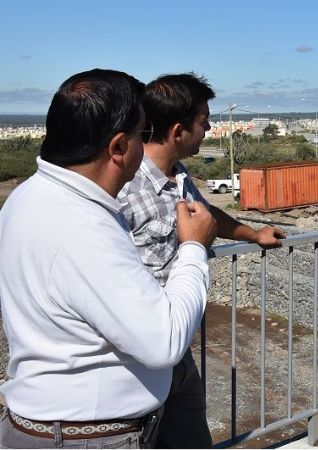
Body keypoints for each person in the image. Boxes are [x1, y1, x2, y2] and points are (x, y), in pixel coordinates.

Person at [0, 69, 217, 448]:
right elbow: (163, 341)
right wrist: (194, 248)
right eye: (143, 133)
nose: (147, 145)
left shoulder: (26, 197)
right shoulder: (84, 227)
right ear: (118, 148)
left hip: (47, 426)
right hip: (88, 437)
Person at [117, 72, 285, 448]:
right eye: (204, 121)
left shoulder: (178, 176)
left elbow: (207, 215)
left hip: (177, 354)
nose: (209, 128)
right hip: (137, 357)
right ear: (179, 131)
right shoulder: (125, 188)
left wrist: (254, 234)